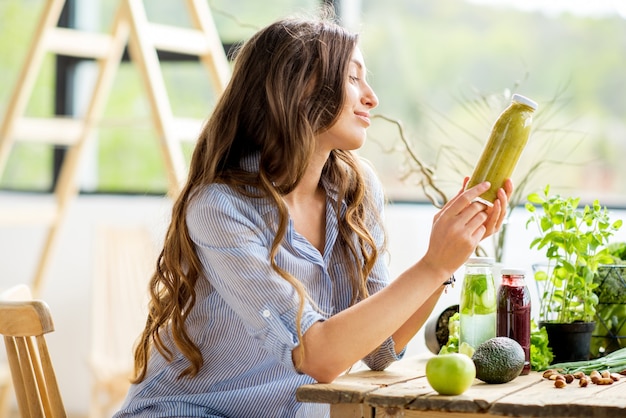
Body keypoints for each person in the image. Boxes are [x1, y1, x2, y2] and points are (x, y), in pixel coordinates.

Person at [114, 10, 512, 418]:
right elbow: (316, 356)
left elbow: (381, 348)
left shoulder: (354, 191)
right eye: (353, 78)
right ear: (301, 88)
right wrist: (432, 264)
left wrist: (449, 257)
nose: (371, 97)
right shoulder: (221, 208)